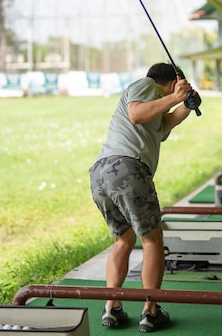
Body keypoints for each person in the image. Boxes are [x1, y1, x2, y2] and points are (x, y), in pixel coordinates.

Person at [89, 62, 201, 333]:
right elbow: (136, 114)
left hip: (101, 175)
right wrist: (175, 97)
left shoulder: (155, 106)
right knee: (151, 241)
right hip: (129, 170)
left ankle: (112, 308)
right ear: (173, 81)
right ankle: (150, 311)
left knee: (124, 239)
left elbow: (166, 122)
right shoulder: (146, 85)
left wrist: (185, 104)